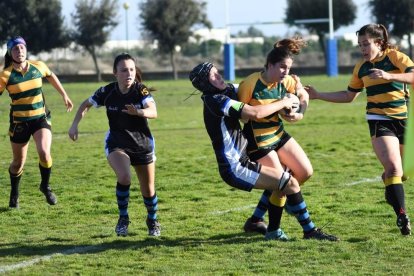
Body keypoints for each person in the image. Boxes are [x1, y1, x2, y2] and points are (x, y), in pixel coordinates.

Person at [189, 62, 338, 241]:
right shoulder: (216, 101)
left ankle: (256, 221)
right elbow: (253, 112)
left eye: (218, 72)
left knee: (282, 180)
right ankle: (308, 231)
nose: (219, 76)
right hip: (235, 167)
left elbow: (257, 88)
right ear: (205, 83)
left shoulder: (226, 91)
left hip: (242, 160)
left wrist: (294, 86)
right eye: (213, 75)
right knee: (288, 183)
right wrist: (284, 102)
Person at [305, 24, 414, 236]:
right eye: (360, 45)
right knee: (393, 169)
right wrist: (318, 95)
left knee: (404, 173)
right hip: (379, 119)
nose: (362, 49)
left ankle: (391, 188)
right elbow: (348, 96)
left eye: (366, 44)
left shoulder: (396, 58)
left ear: (379, 43)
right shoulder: (361, 67)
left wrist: (389, 76)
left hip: (405, 119)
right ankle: (402, 214)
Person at [68, 53, 161, 237]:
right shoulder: (107, 91)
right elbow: (86, 104)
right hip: (117, 143)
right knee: (124, 176)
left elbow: (153, 111)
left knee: (148, 189)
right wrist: (74, 125)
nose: (129, 74)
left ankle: (152, 220)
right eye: (124, 70)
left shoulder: (140, 91)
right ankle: (123, 218)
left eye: (132, 70)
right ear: (115, 73)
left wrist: (139, 112)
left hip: (142, 144)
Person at [238, 38, 313, 239]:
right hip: (258, 142)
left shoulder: (287, 81)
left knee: (305, 172)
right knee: (281, 183)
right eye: (282, 67)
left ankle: (256, 220)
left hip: (278, 135)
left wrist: (299, 112)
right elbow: (243, 115)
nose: (285, 72)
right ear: (269, 65)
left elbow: (302, 94)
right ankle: (274, 230)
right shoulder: (250, 84)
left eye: (288, 68)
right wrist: (280, 104)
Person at [0, 36, 73, 208]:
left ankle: (45, 186)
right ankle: (14, 194)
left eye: (22, 48)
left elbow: (51, 76)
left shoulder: (38, 66)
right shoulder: (6, 75)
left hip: (40, 118)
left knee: (44, 153)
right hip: (19, 123)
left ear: (26, 49)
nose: (20, 51)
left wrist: (64, 95)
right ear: (10, 53)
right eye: (16, 49)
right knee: (18, 163)